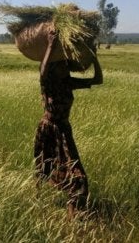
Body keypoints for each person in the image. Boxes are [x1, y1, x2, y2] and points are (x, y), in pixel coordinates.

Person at [34, 30, 103, 219]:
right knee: (44, 166)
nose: (65, 67)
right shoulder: (48, 82)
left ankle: (72, 211)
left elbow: (98, 79)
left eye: (66, 64)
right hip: (48, 128)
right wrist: (50, 45)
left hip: (64, 130)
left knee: (76, 171)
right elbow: (42, 71)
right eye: (61, 65)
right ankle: (36, 201)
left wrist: (94, 57)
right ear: (55, 68)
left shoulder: (68, 82)